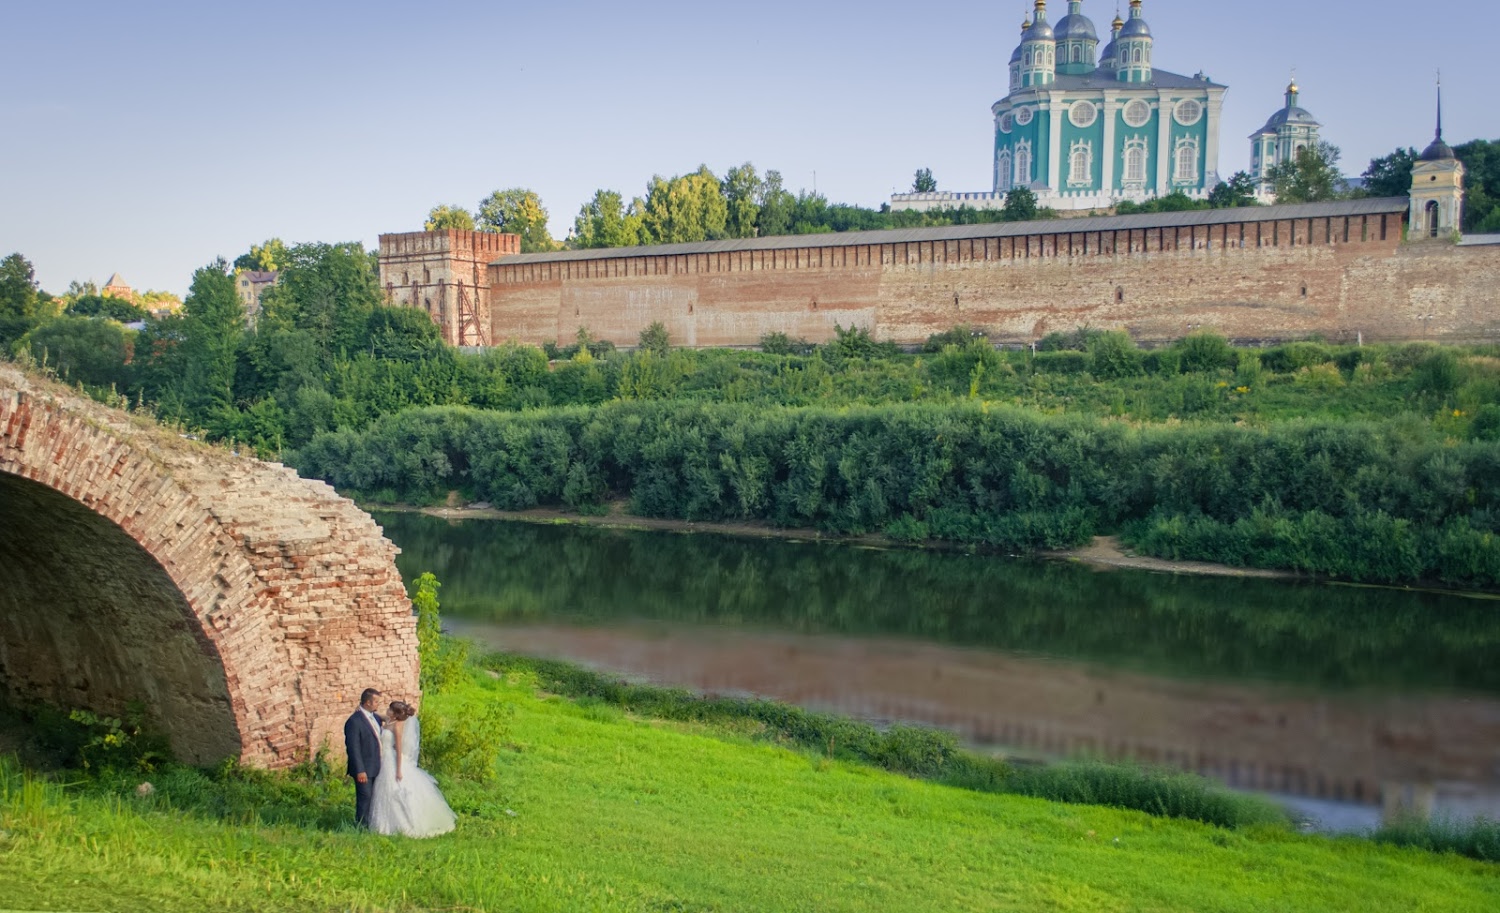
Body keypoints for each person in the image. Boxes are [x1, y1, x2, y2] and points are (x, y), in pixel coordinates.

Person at [369, 700, 456, 838]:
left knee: (392, 790)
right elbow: (380, 716)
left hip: (391, 760)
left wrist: (398, 770)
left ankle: (400, 824)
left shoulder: (397, 727)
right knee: (382, 789)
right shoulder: (389, 721)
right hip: (383, 759)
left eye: (390, 709)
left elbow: (398, 749)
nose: (387, 710)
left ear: (395, 713)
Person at [343, 688, 384, 829]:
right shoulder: (354, 721)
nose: (378, 704)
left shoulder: (376, 718)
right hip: (364, 768)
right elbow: (353, 748)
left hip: (376, 766)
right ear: (367, 702)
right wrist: (360, 770)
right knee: (365, 797)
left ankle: (371, 824)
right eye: (376, 701)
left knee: (373, 798)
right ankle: (361, 826)